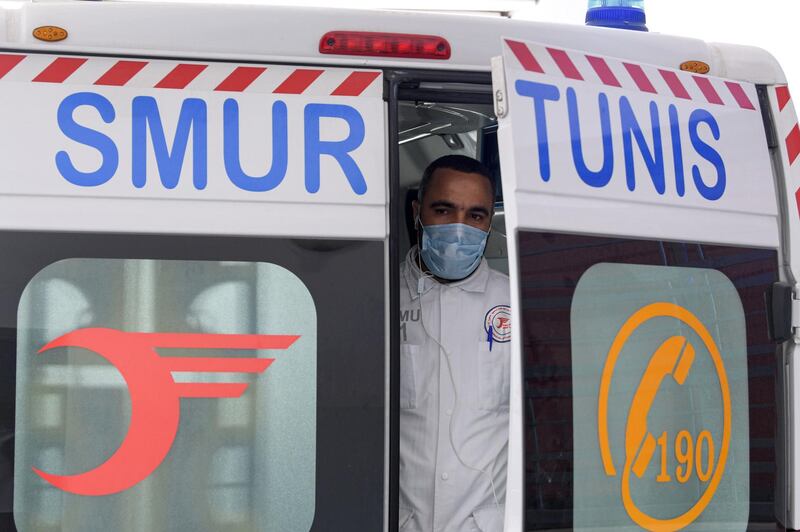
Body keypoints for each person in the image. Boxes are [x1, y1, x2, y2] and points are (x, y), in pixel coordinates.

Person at [399, 154, 510, 532]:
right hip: (399, 519)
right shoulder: (382, 295)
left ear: (489, 222)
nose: (459, 229)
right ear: (418, 212)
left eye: (475, 216)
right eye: (444, 210)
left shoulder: (512, 302)